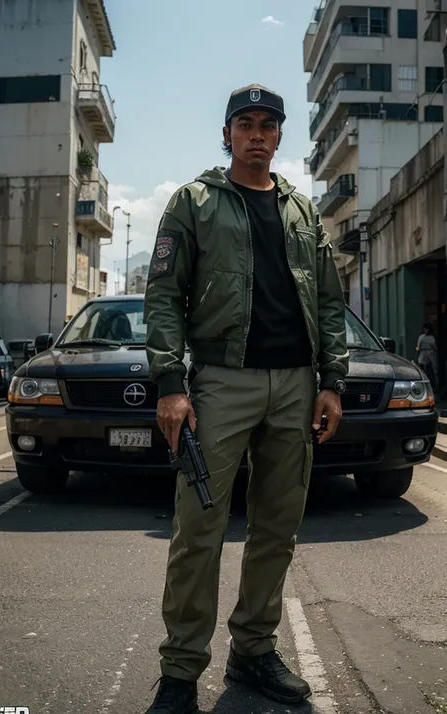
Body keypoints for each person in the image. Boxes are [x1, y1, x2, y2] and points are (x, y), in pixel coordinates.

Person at [143, 84, 348, 713]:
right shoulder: (194, 203)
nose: (256, 134)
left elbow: (329, 301)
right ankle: (179, 675)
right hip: (220, 383)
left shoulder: (302, 212)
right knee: (199, 531)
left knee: (276, 529)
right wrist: (172, 385)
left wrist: (332, 381)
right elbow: (162, 296)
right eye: (245, 124)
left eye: (268, 125)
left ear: (281, 136)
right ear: (227, 134)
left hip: (294, 385)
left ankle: (254, 651)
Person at [416, 322, 438, 389]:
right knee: (422, 366)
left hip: (430, 353)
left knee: (433, 369)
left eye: (426, 329)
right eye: (425, 329)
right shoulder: (422, 337)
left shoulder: (431, 337)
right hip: (424, 353)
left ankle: (434, 384)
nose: (426, 330)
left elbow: (435, 348)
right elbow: (418, 347)